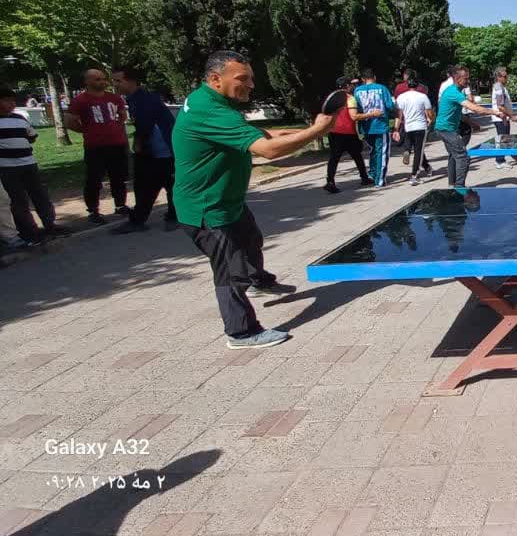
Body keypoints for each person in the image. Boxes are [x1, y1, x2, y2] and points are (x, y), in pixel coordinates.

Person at [172, 50, 334, 349]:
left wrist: (300, 130)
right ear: (215, 79)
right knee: (230, 270)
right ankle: (241, 332)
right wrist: (316, 132)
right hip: (207, 210)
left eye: (251, 78)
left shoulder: (211, 102)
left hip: (228, 202)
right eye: (242, 79)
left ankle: (259, 282)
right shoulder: (210, 111)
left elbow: (256, 133)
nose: (250, 85)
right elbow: (268, 151)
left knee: (251, 240)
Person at [109, 68, 177, 234]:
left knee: (158, 183)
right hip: (153, 149)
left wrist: (138, 143)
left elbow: (146, 124)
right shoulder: (135, 98)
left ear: (131, 81)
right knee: (153, 184)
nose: (115, 85)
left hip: (162, 148)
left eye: (118, 81)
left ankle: (167, 217)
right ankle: (144, 219)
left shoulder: (144, 99)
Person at [66, 68, 130, 224]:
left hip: (116, 143)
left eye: (103, 79)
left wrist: (117, 126)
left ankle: (120, 205)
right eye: (97, 79)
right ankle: (93, 210)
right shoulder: (80, 100)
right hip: (95, 146)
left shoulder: (114, 98)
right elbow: (69, 121)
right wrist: (87, 130)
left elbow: (123, 115)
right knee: (94, 179)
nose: (102, 82)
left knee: (118, 177)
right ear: (87, 81)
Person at [0, 87, 63, 246]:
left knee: (40, 195)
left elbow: (31, 136)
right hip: (7, 168)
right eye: (6, 101)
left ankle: (50, 224)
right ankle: (29, 231)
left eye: (13, 101)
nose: (11, 104)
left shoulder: (20, 118)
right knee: (18, 200)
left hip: (29, 163)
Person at [437, 66, 510, 187]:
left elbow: (457, 114)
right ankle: (459, 187)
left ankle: (452, 185)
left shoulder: (456, 91)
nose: (468, 81)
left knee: (456, 155)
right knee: (463, 157)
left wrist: (472, 123)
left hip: (446, 129)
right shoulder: (453, 92)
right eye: (466, 78)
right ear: (457, 78)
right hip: (446, 130)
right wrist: (495, 112)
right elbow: (475, 108)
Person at [322, 76, 374, 193]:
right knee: (357, 156)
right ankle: (364, 178)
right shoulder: (350, 98)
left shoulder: (332, 98)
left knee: (334, 158)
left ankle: (330, 182)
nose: (352, 87)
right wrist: (371, 114)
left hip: (334, 132)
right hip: (348, 132)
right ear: (346, 86)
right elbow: (354, 116)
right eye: (351, 85)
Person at [353, 68, 398, 187]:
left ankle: (372, 173)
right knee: (382, 152)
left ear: (363, 79)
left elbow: (355, 108)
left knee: (373, 150)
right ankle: (380, 179)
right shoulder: (382, 88)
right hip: (380, 125)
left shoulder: (357, 91)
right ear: (374, 77)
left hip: (366, 126)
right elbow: (389, 106)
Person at [396, 78, 435, 185]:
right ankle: (414, 176)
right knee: (419, 151)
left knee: (417, 149)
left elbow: (399, 115)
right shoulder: (423, 96)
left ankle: (426, 166)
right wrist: (431, 120)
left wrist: (396, 129)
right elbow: (429, 112)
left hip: (408, 127)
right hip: (420, 126)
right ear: (417, 86)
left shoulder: (401, 97)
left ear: (407, 85)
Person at [490, 67, 515, 170]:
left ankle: (501, 159)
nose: (506, 78)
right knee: (502, 140)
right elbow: (500, 106)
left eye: (506, 76)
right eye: (505, 76)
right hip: (501, 118)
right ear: (498, 77)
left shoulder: (501, 87)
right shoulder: (498, 88)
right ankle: (500, 161)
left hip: (503, 117)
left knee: (504, 139)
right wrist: (511, 116)